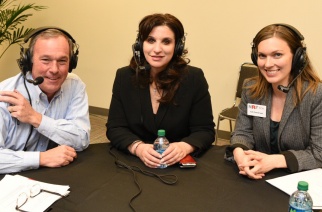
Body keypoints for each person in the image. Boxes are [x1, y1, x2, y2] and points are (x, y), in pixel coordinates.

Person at [106, 13, 215, 168]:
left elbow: (205, 130)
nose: (157, 49)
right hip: (135, 164)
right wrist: (138, 147)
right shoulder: (124, 76)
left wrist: (183, 147)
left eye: (166, 42)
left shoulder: (194, 78)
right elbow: (115, 127)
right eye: (150, 40)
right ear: (140, 44)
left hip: (178, 165)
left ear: (177, 47)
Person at [225, 23, 322, 179]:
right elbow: (242, 132)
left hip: (297, 180)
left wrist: (275, 161)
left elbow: (319, 152)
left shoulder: (316, 95)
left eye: (277, 55)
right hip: (257, 176)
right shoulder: (251, 89)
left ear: (298, 57)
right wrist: (239, 154)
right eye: (262, 56)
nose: (268, 64)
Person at [0, 27, 90, 174]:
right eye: (45, 60)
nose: (54, 69)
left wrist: (36, 118)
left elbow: (81, 139)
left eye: (62, 61)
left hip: (48, 175)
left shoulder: (74, 85)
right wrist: (42, 158)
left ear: (72, 63)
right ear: (28, 61)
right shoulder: (4, 95)